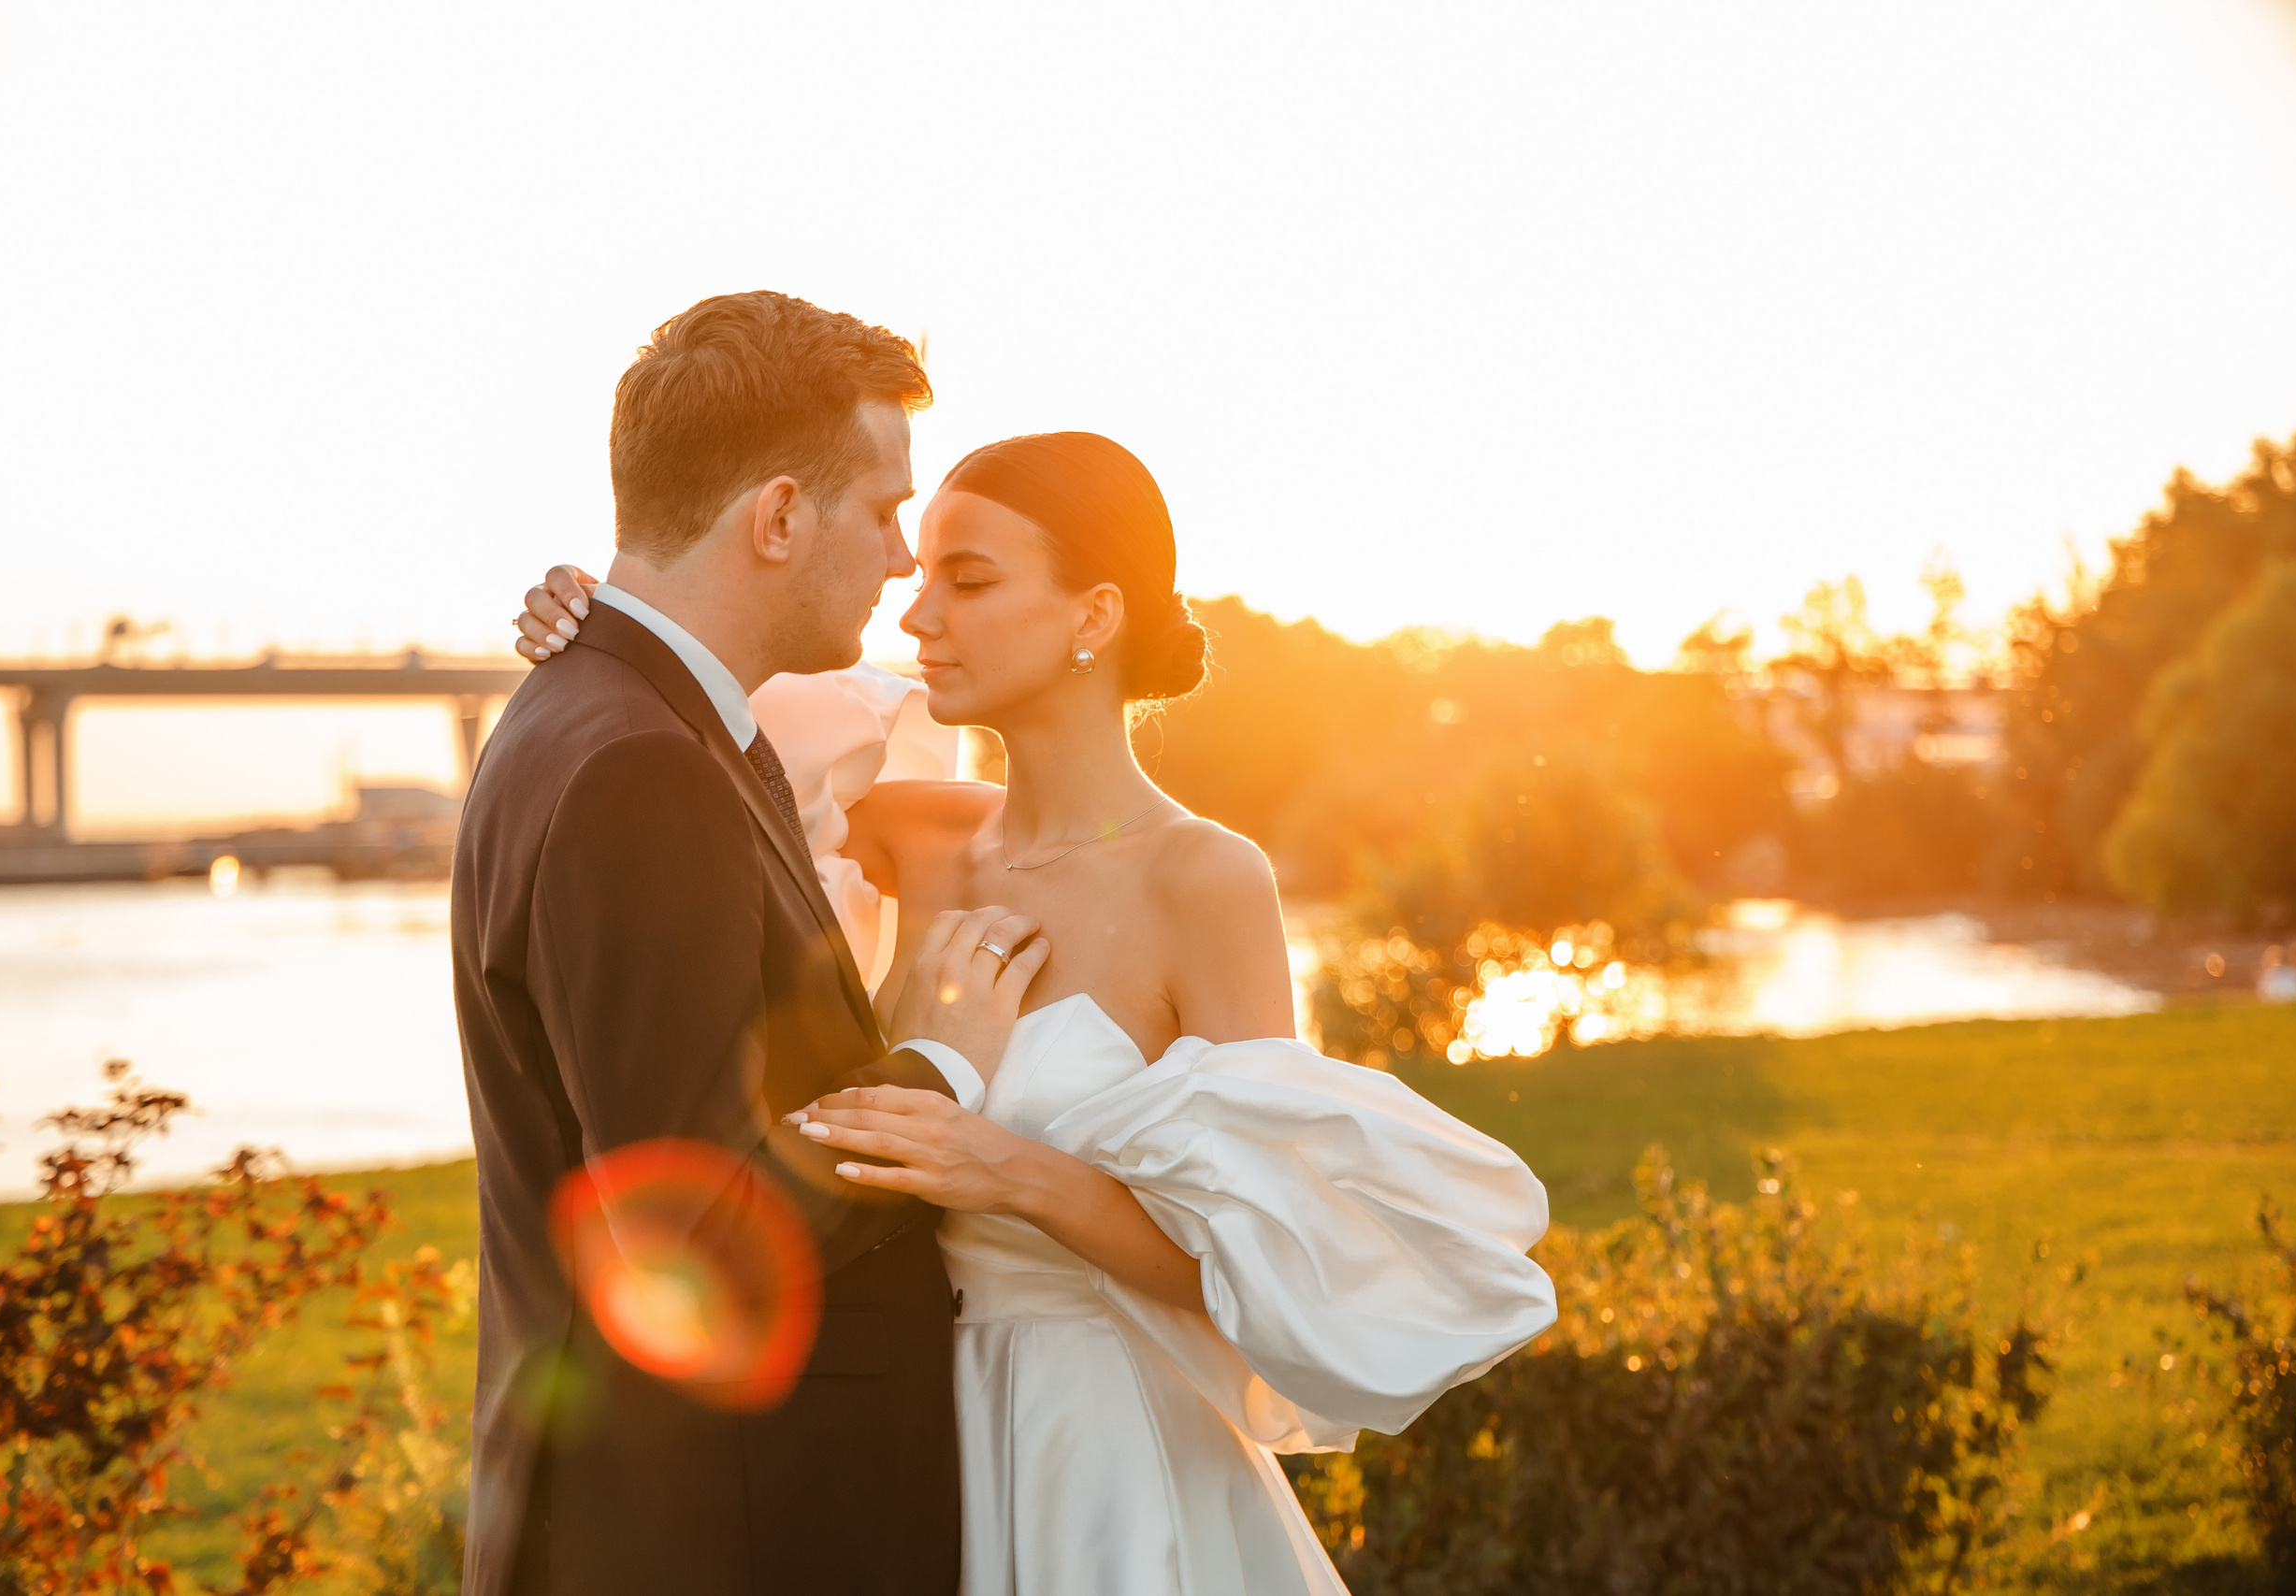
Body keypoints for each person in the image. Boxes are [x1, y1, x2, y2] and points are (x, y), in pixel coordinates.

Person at [513, 429, 1560, 1594]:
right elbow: (691, 733)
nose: (918, 619)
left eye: (969, 583)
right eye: (920, 582)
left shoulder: (1205, 882)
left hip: (1102, 1450)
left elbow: (1246, 1252)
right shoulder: (901, 831)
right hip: (902, 1440)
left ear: (1093, 616)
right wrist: (593, 621)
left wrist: (1000, 1170)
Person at [455, 291, 1099, 1596]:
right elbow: (688, 1227)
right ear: (782, 517)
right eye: (883, 509)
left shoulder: (595, 713)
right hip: (719, 1535)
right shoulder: (642, 764)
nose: (906, 555)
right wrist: (936, 1065)